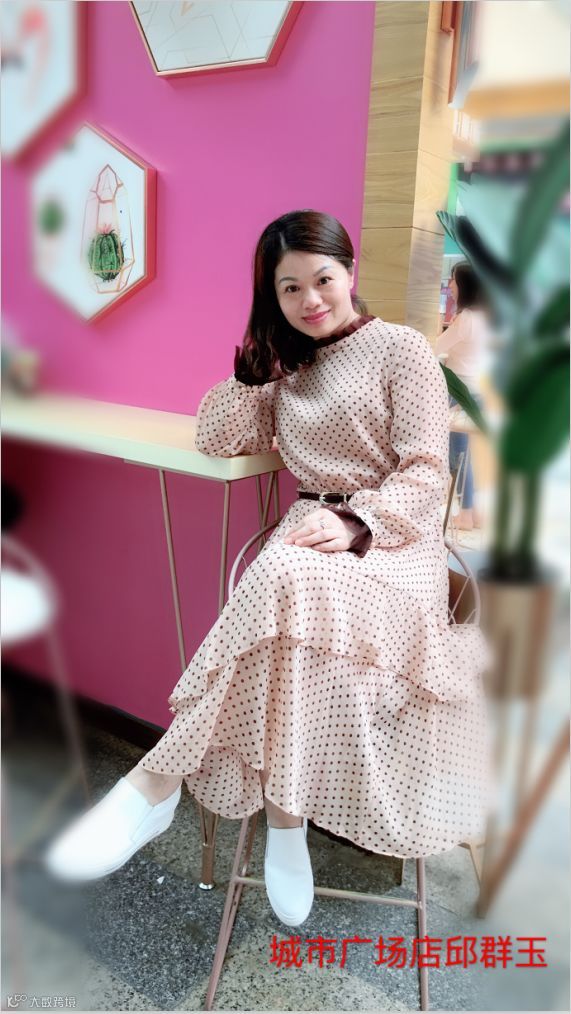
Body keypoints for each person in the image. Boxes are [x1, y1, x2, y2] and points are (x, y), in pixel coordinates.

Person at [45, 210, 495, 928]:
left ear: (348, 271)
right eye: (290, 289)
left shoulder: (401, 349)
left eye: (322, 279)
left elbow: (425, 471)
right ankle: (285, 825)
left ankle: (154, 784)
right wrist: (249, 375)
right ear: (272, 297)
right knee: (288, 595)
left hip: (390, 544)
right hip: (308, 537)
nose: (310, 299)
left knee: (284, 575)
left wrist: (357, 521)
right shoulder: (288, 368)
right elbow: (216, 436)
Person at [435, 261, 491, 531]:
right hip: (480, 391)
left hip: (460, 393)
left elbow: (435, 347)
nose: (450, 285)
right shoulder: (487, 316)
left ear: (465, 285)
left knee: (458, 457)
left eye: (454, 280)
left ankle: (465, 514)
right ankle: (475, 511)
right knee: (470, 455)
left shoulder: (466, 318)